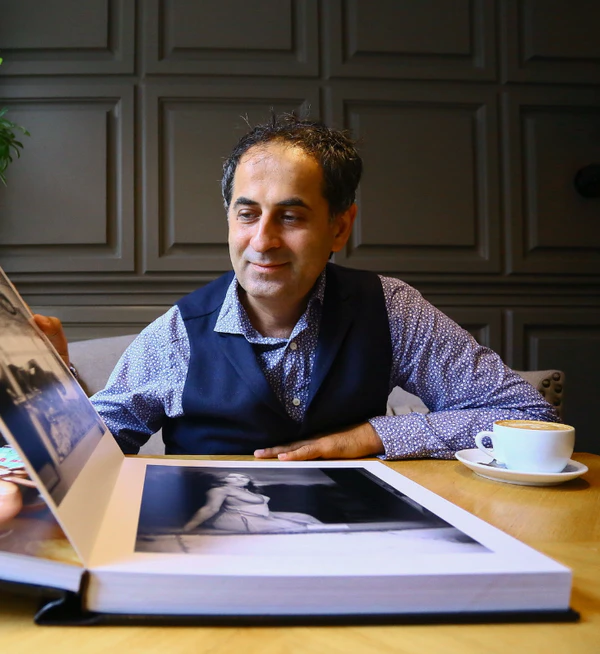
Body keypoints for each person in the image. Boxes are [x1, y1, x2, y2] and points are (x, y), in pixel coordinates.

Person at [34, 114, 557, 461]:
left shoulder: (391, 310)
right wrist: (51, 387)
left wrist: (373, 436)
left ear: (339, 227)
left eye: (291, 216)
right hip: (209, 551)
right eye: (247, 214)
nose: (263, 241)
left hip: (356, 545)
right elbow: (81, 457)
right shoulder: (178, 334)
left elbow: (529, 415)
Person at [183, 472, 321, 533]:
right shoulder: (220, 490)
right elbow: (210, 509)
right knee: (292, 526)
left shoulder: (249, 491)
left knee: (305, 517)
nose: (239, 479)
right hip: (236, 518)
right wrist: (189, 527)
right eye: (234, 476)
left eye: (242, 477)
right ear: (225, 479)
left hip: (263, 516)